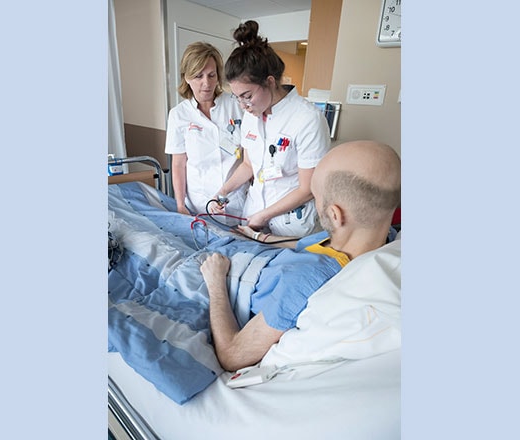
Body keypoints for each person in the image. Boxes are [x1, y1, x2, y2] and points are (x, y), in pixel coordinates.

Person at [200, 140, 402, 372]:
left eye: (315, 197)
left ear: (335, 215)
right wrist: (259, 237)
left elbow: (232, 355)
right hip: (254, 250)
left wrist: (215, 281)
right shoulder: (379, 237)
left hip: (225, 271)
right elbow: (310, 247)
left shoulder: (305, 281)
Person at [208, 20, 331, 237]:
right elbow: (249, 164)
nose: (243, 105)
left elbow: (308, 188)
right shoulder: (250, 115)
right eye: (237, 98)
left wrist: (264, 216)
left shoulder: (308, 119)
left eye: (247, 96)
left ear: (270, 82)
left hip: (291, 223)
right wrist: (223, 191)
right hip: (254, 214)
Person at [164, 42, 247, 219]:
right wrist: (180, 205)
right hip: (199, 203)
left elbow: (249, 155)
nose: (206, 83)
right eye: (198, 76)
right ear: (186, 77)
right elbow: (178, 164)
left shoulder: (236, 105)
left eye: (211, 75)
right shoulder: (179, 115)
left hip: (237, 200)